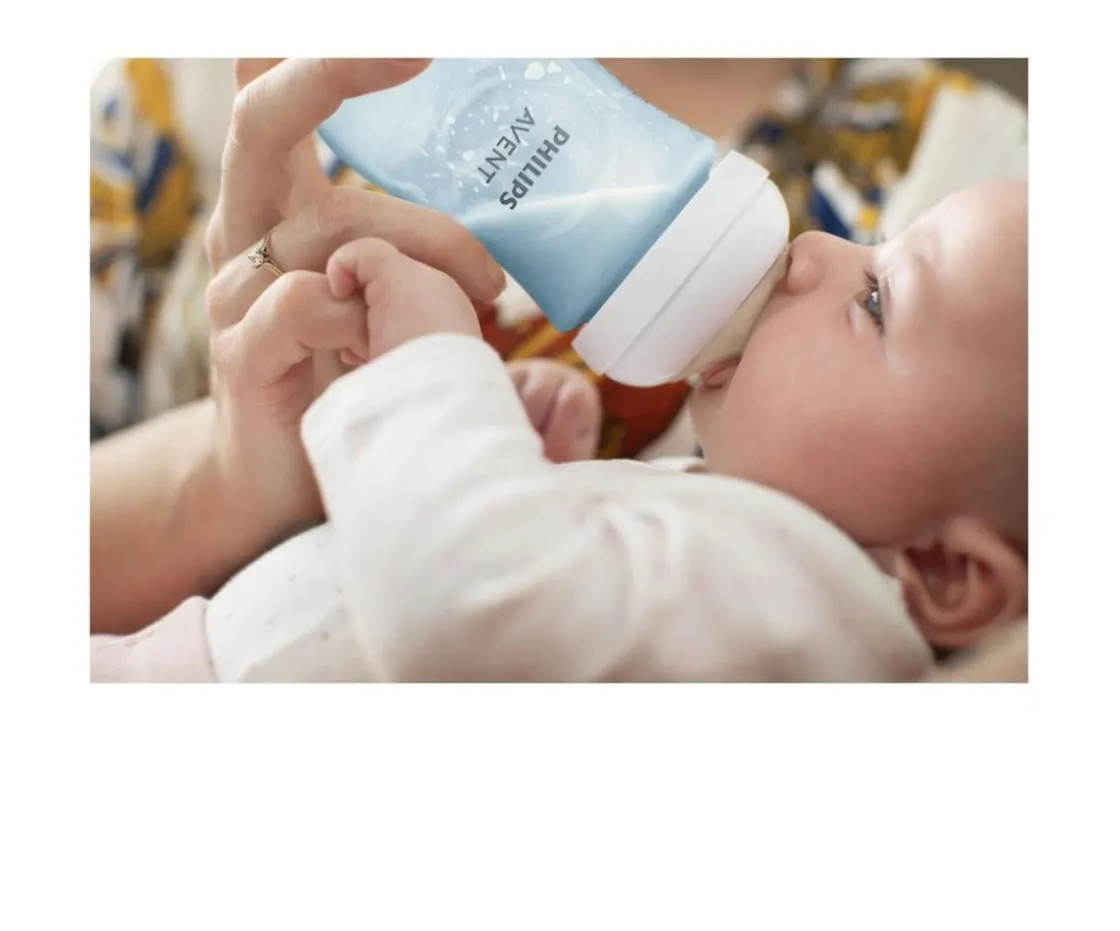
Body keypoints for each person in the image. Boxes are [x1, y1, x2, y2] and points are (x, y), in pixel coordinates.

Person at [91, 71, 1027, 679]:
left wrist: (429, 373)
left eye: (877, 299)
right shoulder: (765, 557)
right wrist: (530, 480)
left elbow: (469, 613)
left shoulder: (809, 599)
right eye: (872, 244)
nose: (816, 247)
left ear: (947, 571)